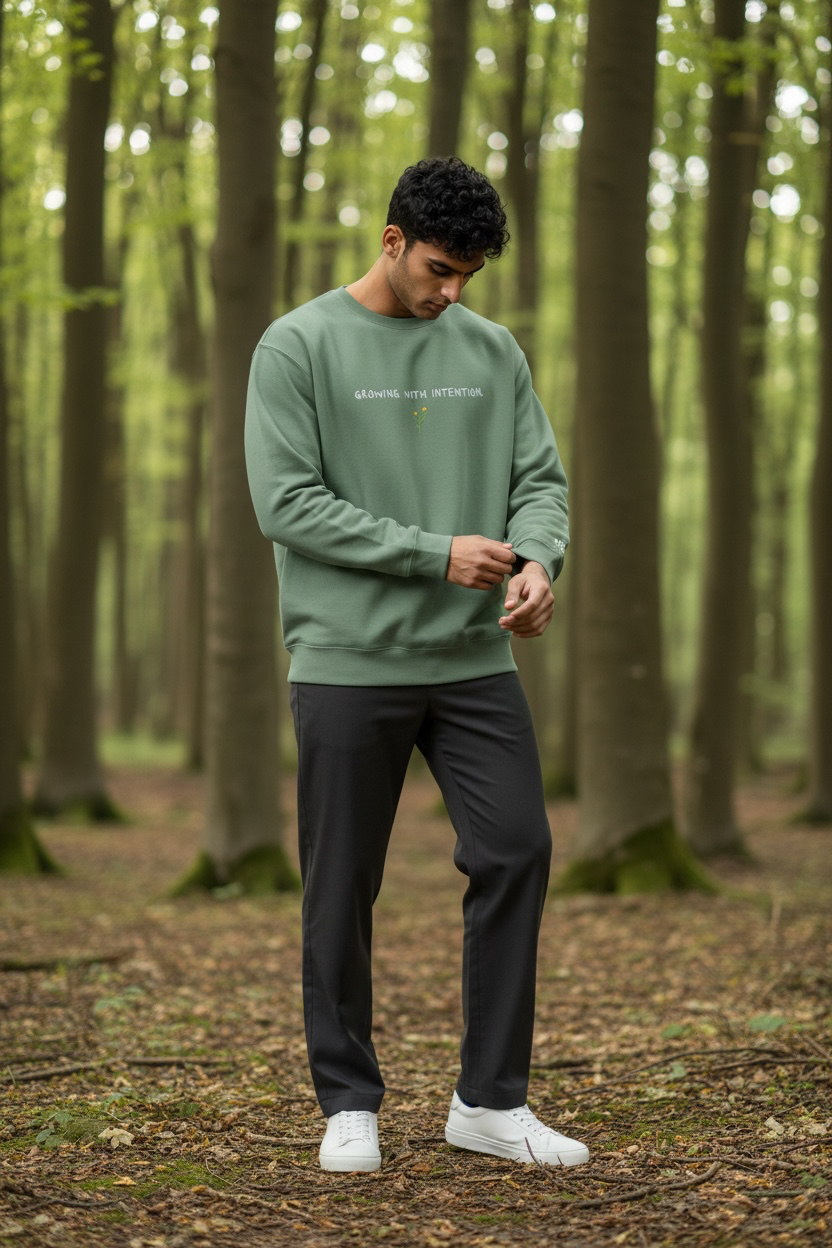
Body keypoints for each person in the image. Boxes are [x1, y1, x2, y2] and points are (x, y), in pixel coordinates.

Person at [244, 157, 589, 1173]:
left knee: (517, 848)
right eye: (439, 268)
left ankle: (488, 1102)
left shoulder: (489, 349)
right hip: (346, 660)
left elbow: (540, 480)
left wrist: (535, 560)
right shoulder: (297, 345)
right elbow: (287, 503)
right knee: (342, 884)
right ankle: (347, 1100)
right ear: (390, 240)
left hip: (474, 661)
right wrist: (432, 551)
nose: (451, 292)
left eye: (468, 276)